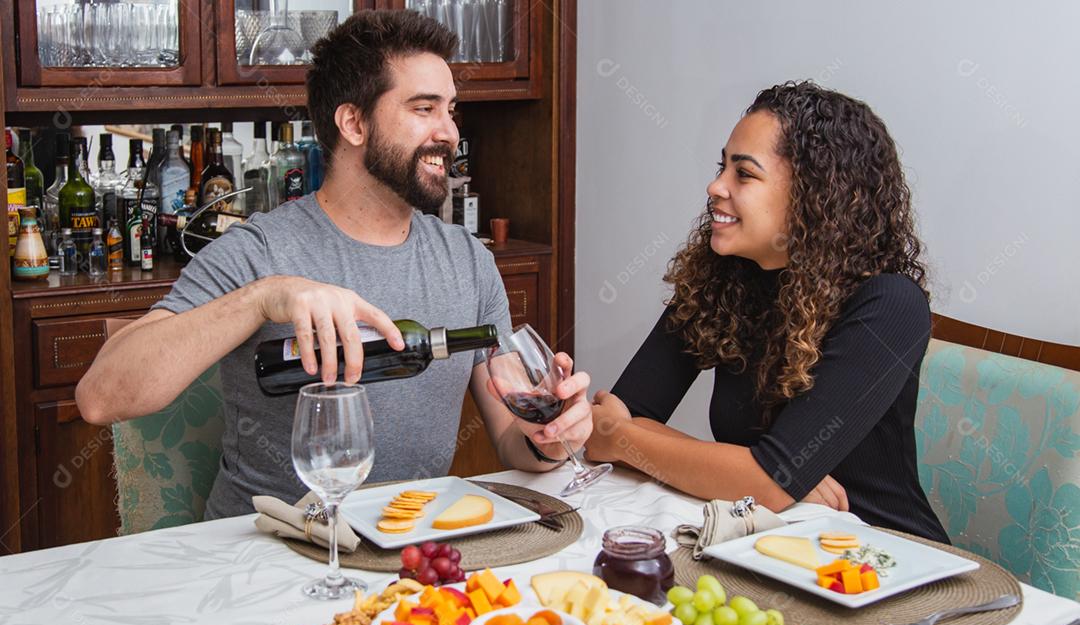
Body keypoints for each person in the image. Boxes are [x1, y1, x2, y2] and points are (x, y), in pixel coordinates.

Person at [76, 10, 593, 519]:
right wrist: (262, 298)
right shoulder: (258, 252)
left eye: (451, 111)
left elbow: (512, 440)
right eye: (424, 109)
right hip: (265, 552)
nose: (450, 133)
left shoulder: (469, 261)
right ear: (353, 123)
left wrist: (549, 437)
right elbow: (100, 397)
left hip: (407, 545)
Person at [585, 81, 948, 543]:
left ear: (814, 195)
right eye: (722, 167)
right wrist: (761, 478)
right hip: (767, 546)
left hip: (886, 555)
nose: (715, 187)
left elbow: (766, 481)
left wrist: (763, 479)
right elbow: (609, 421)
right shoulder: (723, 279)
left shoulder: (890, 305)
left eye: (744, 174)